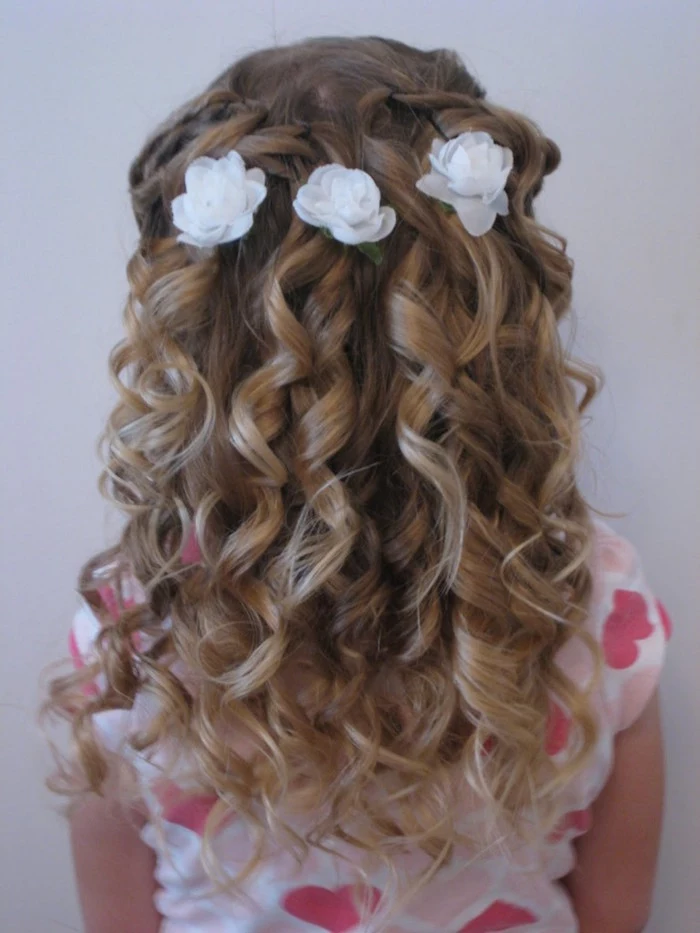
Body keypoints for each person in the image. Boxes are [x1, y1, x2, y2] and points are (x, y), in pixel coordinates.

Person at [45, 36, 672, 933]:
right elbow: (616, 916)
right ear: (499, 322)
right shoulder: (596, 606)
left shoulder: (135, 638)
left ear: (200, 343)